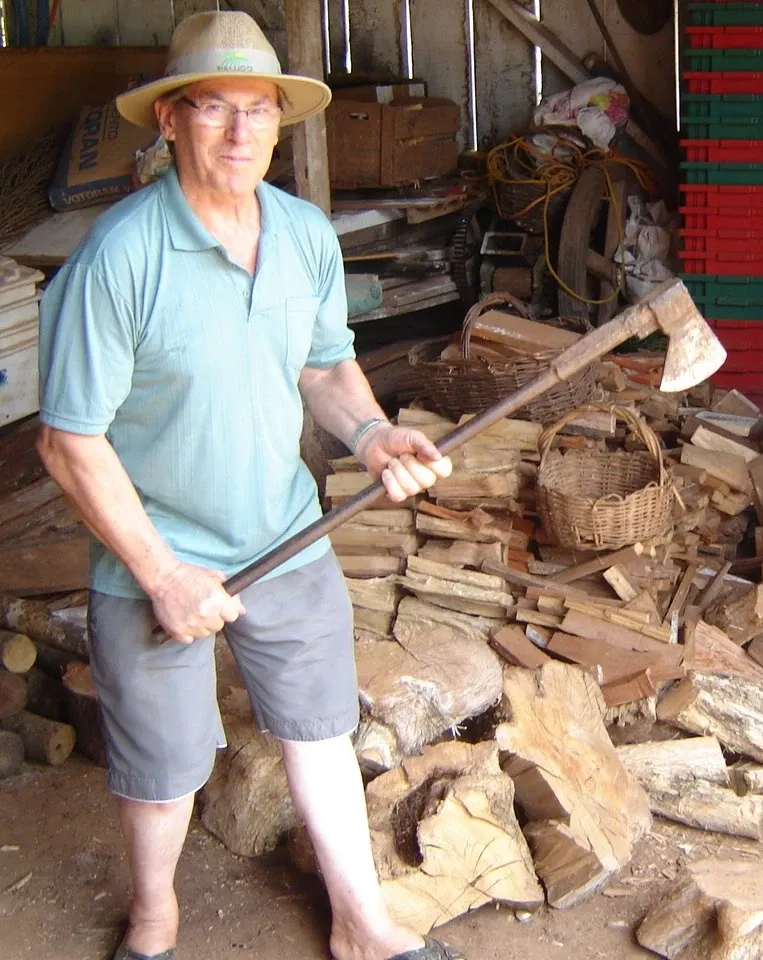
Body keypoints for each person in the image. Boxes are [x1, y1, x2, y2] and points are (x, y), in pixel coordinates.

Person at [37, 12, 461, 960]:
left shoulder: (307, 234)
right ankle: (155, 921)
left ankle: (361, 924)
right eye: (214, 108)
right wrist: (161, 573)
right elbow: (69, 443)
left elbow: (323, 367)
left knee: (319, 729)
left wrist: (373, 431)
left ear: (281, 123)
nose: (238, 133)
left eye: (258, 111)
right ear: (171, 122)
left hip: (283, 532)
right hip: (156, 554)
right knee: (163, 768)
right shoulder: (120, 257)